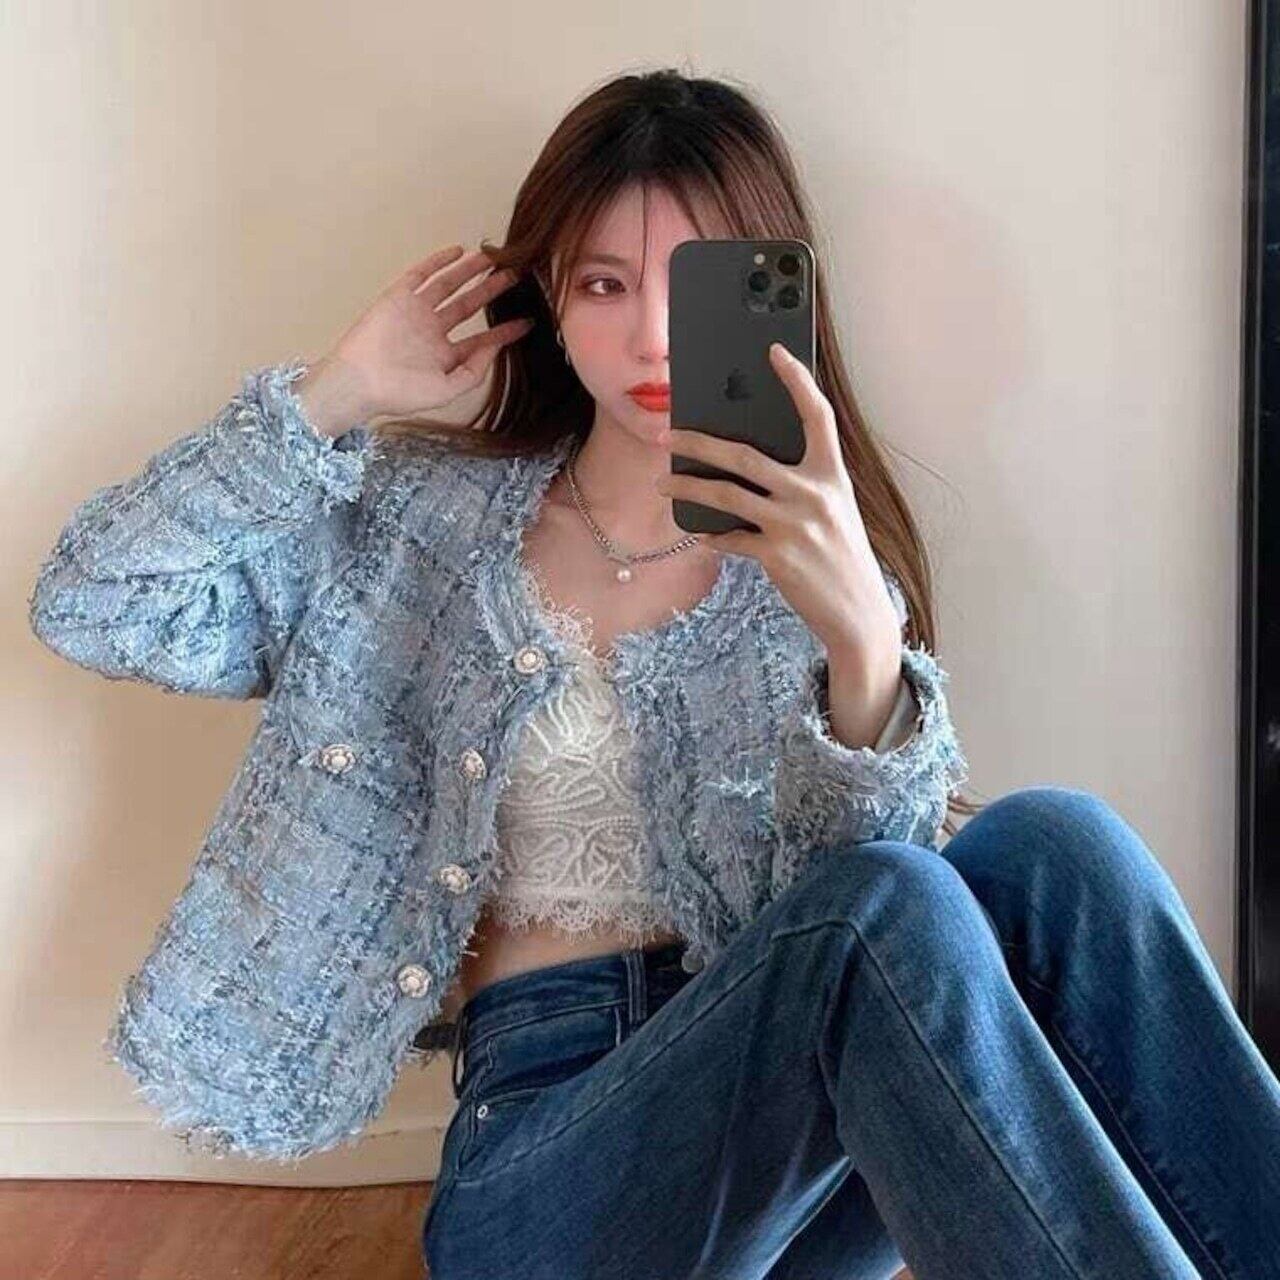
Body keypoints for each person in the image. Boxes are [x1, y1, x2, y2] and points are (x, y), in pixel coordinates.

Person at [27, 67, 1280, 1280]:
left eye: (697, 282)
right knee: (876, 908)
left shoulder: (814, 554)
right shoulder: (415, 525)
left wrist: (860, 643)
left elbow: (874, 936)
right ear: (544, 299)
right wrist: (335, 394)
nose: (653, 334)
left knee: (1055, 844)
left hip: (787, 1163)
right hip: (546, 1174)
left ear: (774, 291)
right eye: (604, 283)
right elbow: (96, 602)